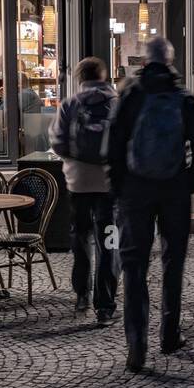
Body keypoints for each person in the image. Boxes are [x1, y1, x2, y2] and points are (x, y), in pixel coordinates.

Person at [107, 37, 194, 372]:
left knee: (134, 268)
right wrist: (188, 182)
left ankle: (136, 347)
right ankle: (169, 334)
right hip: (174, 191)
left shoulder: (131, 95)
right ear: (170, 61)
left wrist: (120, 187)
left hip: (136, 191)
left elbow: (115, 144)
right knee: (172, 264)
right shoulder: (183, 97)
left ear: (145, 61)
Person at [49, 57, 119, 324]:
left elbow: (57, 142)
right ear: (103, 75)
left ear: (80, 77)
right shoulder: (118, 103)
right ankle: (105, 307)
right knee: (109, 243)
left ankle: (82, 296)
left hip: (77, 184)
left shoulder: (70, 104)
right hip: (110, 185)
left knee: (80, 240)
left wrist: (77, 158)